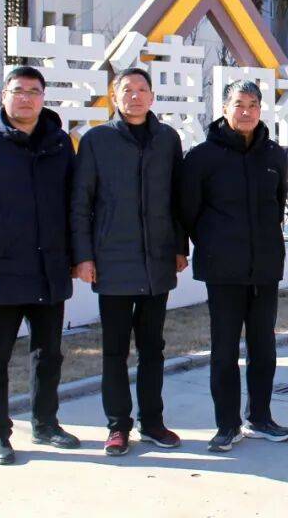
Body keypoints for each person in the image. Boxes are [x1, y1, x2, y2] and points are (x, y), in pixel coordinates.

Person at [0, 67, 80, 465]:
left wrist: (77, 257)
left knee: (49, 355)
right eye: (18, 90)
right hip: (0, 270)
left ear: (43, 98)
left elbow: (74, 205)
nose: (26, 98)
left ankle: (46, 424)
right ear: (4, 95)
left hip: (48, 269)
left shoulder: (59, 143)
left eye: (34, 91)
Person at [70, 68, 187, 456]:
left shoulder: (167, 139)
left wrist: (179, 247)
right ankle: (118, 426)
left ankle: (153, 423)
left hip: (157, 261)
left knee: (153, 348)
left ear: (152, 97)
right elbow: (81, 202)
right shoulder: (97, 140)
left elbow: (177, 199)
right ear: (114, 96)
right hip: (113, 261)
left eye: (142, 89)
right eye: (127, 90)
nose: (135, 96)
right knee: (115, 350)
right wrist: (84, 256)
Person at [180, 80, 288, 452]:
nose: (246, 111)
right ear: (225, 108)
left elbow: (277, 205)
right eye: (239, 104)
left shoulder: (274, 155)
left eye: (253, 105)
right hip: (222, 269)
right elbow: (189, 212)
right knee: (224, 350)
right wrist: (215, 243)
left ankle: (260, 417)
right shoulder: (202, 157)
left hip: (264, 267)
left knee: (264, 348)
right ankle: (227, 425)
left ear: (261, 109)